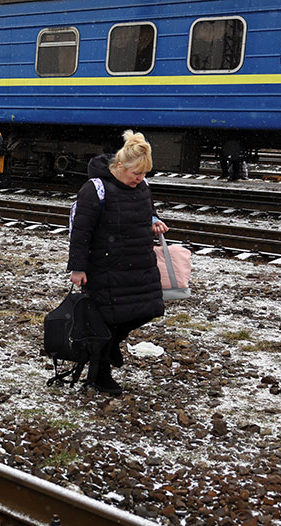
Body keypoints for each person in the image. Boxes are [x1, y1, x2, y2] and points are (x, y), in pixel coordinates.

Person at [67, 130, 169, 396]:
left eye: (144, 174)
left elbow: (147, 209)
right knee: (106, 323)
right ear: (120, 166)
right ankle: (100, 376)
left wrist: (154, 221)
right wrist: (78, 268)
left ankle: (110, 349)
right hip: (106, 267)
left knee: (149, 309)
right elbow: (81, 232)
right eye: (137, 174)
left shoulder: (142, 186)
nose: (141, 179)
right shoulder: (94, 189)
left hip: (139, 264)